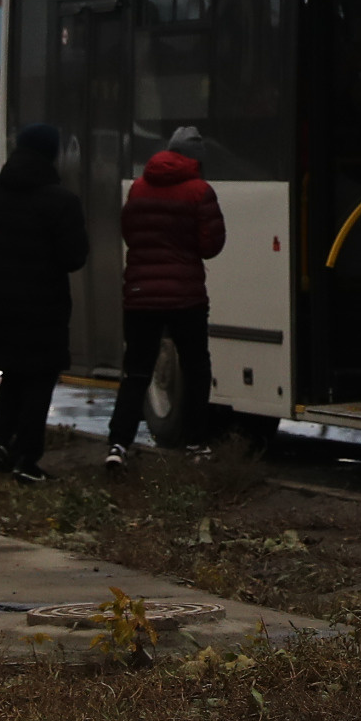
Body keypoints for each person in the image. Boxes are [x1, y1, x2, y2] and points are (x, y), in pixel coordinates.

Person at [0, 123, 90, 481]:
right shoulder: (62, 201)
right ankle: (26, 459)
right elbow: (74, 257)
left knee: (12, 376)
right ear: (51, 154)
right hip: (44, 309)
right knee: (38, 380)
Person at [108, 125, 225, 470]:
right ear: (196, 161)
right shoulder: (200, 192)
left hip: (140, 296)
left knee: (137, 372)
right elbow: (211, 245)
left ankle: (117, 444)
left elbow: (129, 233)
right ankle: (195, 443)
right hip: (185, 296)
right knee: (195, 368)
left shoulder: (139, 190)